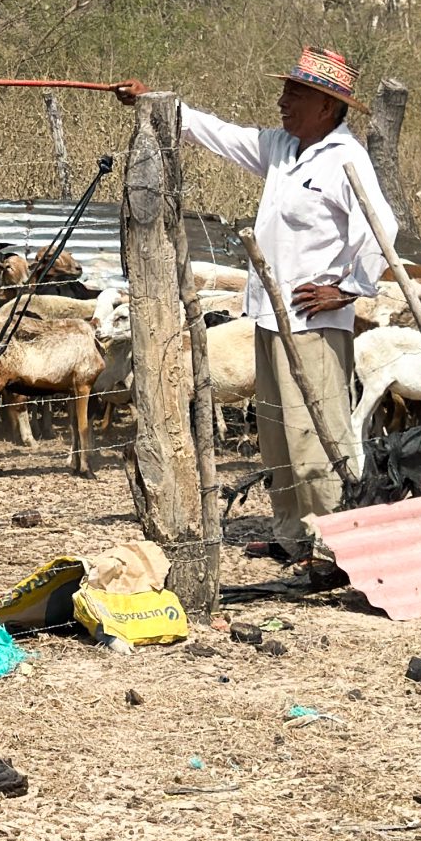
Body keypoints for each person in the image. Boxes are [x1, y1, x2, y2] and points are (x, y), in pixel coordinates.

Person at [115, 48, 389, 573]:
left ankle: (332, 545)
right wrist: (149, 101)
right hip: (269, 310)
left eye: (296, 94)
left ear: (328, 108)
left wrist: (349, 289)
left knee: (315, 429)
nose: (283, 102)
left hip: (313, 320)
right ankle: (291, 534)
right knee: (277, 429)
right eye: (286, 91)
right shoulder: (282, 148)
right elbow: (219, 133)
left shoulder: (346, 159)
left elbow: (381, 229)